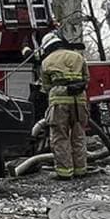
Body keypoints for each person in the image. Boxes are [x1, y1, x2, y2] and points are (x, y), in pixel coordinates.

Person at [38, 30, 92, 179]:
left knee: (60, 137)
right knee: (79, 135)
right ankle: (81, 170)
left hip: (59, 103)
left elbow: (46, 87)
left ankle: (64, 172)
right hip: (80, 102)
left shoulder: (47, 61)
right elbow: (87, 79)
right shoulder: (78, 57)